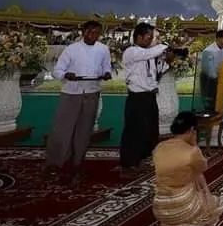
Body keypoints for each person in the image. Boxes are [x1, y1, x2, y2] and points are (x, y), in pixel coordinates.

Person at [46, 20, 112, 181]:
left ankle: (77, 162)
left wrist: (106, 73)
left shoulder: (103, 49)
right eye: (89, 32)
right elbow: (57, 71)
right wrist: (66, 75)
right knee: (63, 129)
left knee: (84, 130)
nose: (92, 35)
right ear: (83, 32)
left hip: (92, 92)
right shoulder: (72, 49)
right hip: (71, 92)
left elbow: (106, 67)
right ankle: (56, 163)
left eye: (96, 32)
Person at [152, 111, 223, 226]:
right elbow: (203, 167)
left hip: (159, 207)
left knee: (187, 171)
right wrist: (195, 146)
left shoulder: (160, 146)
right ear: (192, 130)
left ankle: (166, 223)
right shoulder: (192, 151)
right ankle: (179, 223)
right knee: (217, 202)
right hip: (183, 208)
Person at [120, 22, 172, 177]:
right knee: (134, 131)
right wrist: (165, 45)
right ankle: (127, 165)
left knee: (149, 131)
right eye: (149, 37)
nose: (151, 41)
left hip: (149, 96)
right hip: (137, 98)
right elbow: (149, 54)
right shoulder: (132, 52)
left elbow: (157, 72)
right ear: (139, 37)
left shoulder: (149, 54)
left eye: (152, 38)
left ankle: (139, 161)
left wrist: (168, 60)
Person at [200, 30, 223, 110]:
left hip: (220, 77)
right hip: (208, 78)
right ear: (217, 38)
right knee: (211, 100)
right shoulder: (208, 51)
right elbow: (206, 68)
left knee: (221, 98)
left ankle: (221, 114)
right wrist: (216, 77)